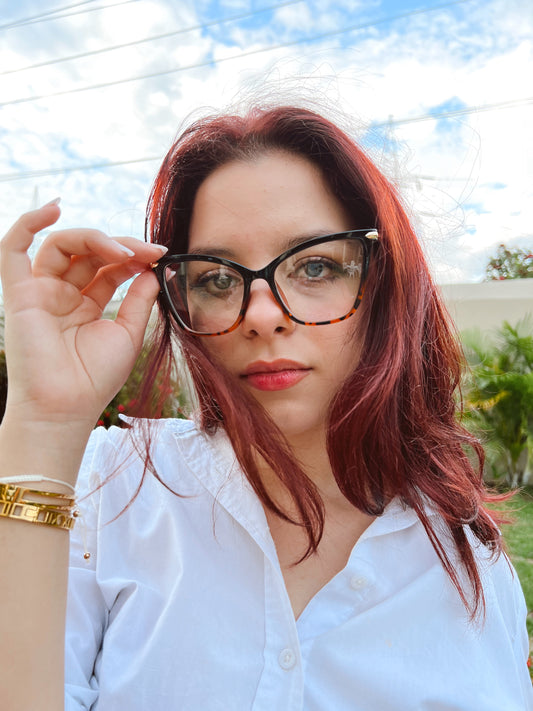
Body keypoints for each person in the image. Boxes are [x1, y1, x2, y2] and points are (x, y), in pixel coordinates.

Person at [0, 105, 531, 711]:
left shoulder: (470, 564)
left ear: (383, 284)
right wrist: (43, 422)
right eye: (216, 279)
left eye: (315, 266)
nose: (259, 314)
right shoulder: (114, 490)